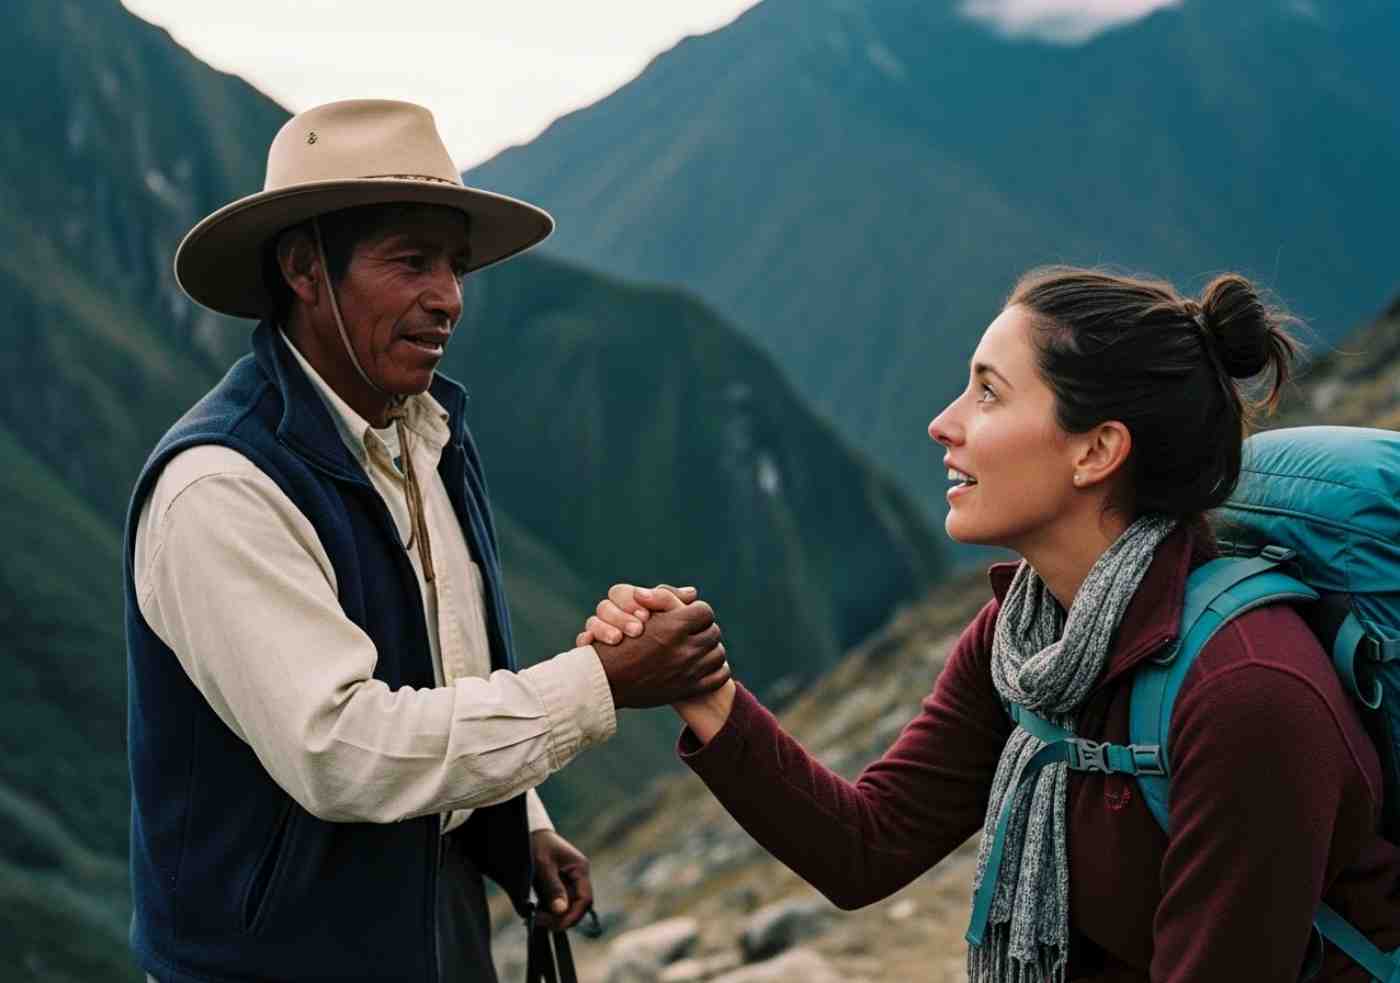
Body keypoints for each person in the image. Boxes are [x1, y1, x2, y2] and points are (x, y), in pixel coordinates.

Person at [582, 267, 1400, 981]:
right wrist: (704, 689)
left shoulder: (1249, 692)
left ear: (1095, 452)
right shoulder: (1029, 637)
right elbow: (869, 844)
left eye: (988, 392)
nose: (945, 422)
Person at [124, 99, 729, 983]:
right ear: (304, 267)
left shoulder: (425, 431)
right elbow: (340, 749)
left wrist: (516, 822)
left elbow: (449, 658)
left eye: (454, 264)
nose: (446, 297)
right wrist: (603, 681)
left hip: (425, 927)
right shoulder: (222, 489)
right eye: (409, 262)